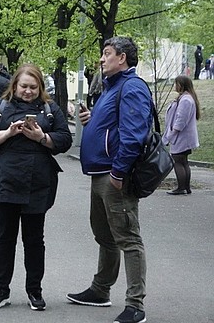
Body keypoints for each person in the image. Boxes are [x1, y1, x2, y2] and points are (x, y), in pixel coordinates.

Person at [0, 63, 72, 312]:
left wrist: (40, 137)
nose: (28, 91)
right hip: (6, 179)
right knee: (5, 238)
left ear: (40, 88)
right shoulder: (0, 107)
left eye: (33, 87)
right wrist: (7, 133)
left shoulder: (50, 109)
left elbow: (64, 139)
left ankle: (34, 291)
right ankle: (1, 290)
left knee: (34, 240)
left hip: (38, 182)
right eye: (23, 86)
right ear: (14, 85)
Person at [67, 37, 152, 323]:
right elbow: (114, 126)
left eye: (107, 54)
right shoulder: (112, 87)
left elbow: (134, 135)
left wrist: (118, 172)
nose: (102, 59)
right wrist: (93, 119)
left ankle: (135, 305)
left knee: (128, 238)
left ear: (123, 58)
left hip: (114, 176)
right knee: (105, 236)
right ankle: (100, 291)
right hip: (99, 172)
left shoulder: (132, 87)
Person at [162, 75, 200, 195]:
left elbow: (181, 119)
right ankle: (186, 187)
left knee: (177, 160)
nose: (175, 86)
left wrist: (173, 132)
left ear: (182, 85)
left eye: (176, 83)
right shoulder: (186, 98)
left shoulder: (185, 100)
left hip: (181, 136)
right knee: (183, 161)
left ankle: (181, 187)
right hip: (184, 136)